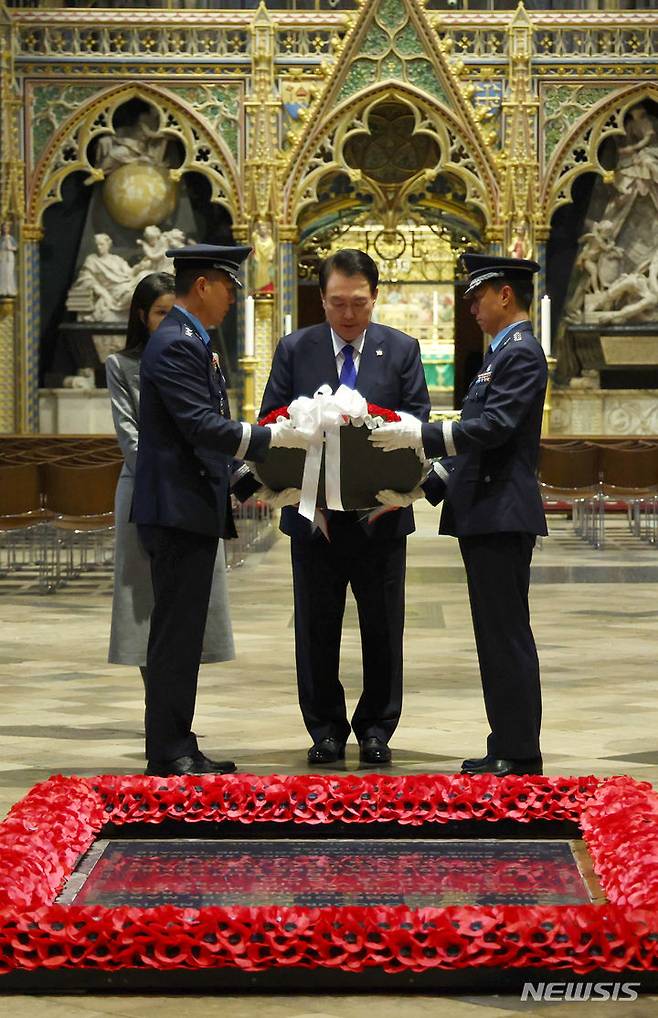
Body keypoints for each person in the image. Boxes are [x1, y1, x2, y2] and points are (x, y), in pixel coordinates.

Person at [259, 248, 443, 768]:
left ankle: (378, 727)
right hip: (313, 517)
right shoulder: (296, 349)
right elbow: (269, 420)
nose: (347, 314)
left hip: (379, 517)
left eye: (358, 303)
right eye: (337, 303)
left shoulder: (401, 349)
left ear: (375, 298)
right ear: (321, 299)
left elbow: (419, 424)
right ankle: (325, 729)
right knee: (316, 627)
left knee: (383, 627)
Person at [131, 243, 309, 777]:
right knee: (175, 634)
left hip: (189, 505)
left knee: (185, 632)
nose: (234, 298)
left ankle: (177, 741)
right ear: (204, 284)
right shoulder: (175, 344)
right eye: (229, 286)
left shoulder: (193, 341)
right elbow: (201, 426)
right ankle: (168, 748)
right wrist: (273, 439)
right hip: (176, 508)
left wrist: (247, 476)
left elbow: (207, 430)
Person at [371, 254, 547, 778]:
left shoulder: (521, 354)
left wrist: (418, 434)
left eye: (477, 296)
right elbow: (473, 444)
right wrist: (417, 488)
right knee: (494, 635)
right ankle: (506, 742)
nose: (470, 306)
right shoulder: (500, 355)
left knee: (505, 634)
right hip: (486, 510)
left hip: (501, 512)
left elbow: (492, 428)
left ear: (505, 295)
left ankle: (518, 750)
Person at [106, 272, 235, 705]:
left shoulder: (198, 350)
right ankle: (163, 718)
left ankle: (174, 718)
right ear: (142, 316)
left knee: (187, 608)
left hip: (189, 493)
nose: (167, 321)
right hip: (151, 493)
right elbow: (133, 441)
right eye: (159, 313)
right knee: (149, 608)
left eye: (170, 312)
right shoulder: (122, 365)